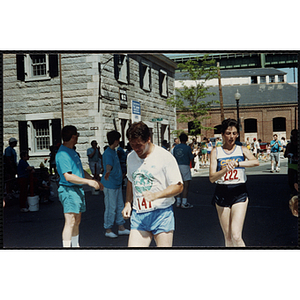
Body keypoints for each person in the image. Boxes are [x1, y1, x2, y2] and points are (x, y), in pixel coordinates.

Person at [122, 121, 183, 247]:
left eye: (139, 145)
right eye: (132, 145)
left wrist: (156, 195)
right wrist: (128, 203)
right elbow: (130, 180)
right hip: (139, 214)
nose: (136, 149)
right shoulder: (130, 157)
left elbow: (178, 186)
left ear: (148, 139)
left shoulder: (164, 156)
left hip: (161, 213)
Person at [209, 118, 259, 247]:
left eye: (234, 133)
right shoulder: (216, 152)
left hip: (239, 192)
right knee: (228, 237)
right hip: (222, 192)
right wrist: (224, 170)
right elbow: (212, 178)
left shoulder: (242, 149)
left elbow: (255, 162)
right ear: (222, 134)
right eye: (228, 133)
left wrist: (238, 163)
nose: (231, 137)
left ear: (237, 134)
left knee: (236, 235)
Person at [56, 125, 103, 248]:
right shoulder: (62, 154)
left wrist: (93, 180)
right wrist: (87, 182)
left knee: (77, 221)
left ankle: (76, 245)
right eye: (77, 135)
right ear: (73, 137)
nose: (77, 138)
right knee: (70, 221)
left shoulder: (72, 152)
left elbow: (80, 170)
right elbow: (68, 176)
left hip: (77, 190)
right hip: (68, 190)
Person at [101, 130, 130, 238]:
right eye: (118, 139)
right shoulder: (108, 153)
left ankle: (121, 227)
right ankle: (108, 229)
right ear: (116, 140)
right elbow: (108, 166)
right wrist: (108, 172)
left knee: (119, 206)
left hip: (116, 184)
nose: (119, 142)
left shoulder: (114, 151)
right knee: (110, 208)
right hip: (110, 185)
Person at [173, 132, 194, 208]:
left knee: (178, 183)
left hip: (177, 165)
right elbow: (191, 157)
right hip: (185, 165)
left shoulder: (175, 147)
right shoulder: (187, 148)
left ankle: (178, 201)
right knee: (186, 184)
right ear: (186, 139)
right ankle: (184, 202)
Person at [284, 129, 298, 196]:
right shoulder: (289, 145)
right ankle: (293, 191)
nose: (294, 136)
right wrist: (289, 154)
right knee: (290, 180)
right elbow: (285, 154)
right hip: (292, 164)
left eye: (296, 135)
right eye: (293, 135)